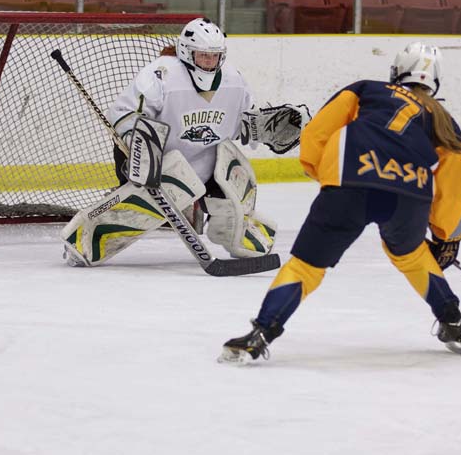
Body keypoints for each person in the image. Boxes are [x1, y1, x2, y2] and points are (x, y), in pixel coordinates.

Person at [220, 42, 461, 362]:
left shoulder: (366, 90)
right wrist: (447, 237)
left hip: (349, 183)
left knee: (306, 267)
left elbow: (316, 135)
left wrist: (324, 175)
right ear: (435, 82)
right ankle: (452, 319)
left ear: (395, 72)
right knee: (410, 255)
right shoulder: (444, 120)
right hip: (409, 197)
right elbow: (455, 186)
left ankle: (261, 334)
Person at [61, 17, 307, 267]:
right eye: (203, 56)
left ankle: (241, 236)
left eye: (215, 56)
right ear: (187, 52)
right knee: (143, 206)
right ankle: (82, 241)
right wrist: (143, 150)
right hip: (156, 161)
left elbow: (241, 123)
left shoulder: (234, 79)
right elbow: (124, 114)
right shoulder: (162, 74)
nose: (210, 62)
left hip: (208, 162)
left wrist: (265, 128)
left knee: (235, 180)